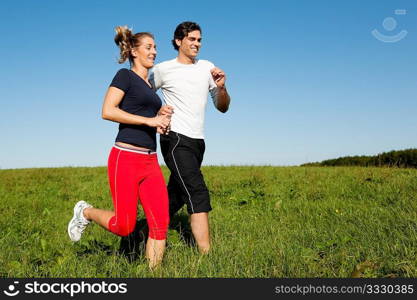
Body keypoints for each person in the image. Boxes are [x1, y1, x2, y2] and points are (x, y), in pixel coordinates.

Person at [68, 26, 172, 268]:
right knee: (125, 226)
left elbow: (143, 115)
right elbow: (108, 111)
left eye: (155, 47)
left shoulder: (149, 87)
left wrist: (160, 119)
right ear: (134, 51)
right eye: (149, 47)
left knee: (160, 223)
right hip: (125, 158)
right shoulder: (124, 76)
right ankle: (86, 212)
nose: (154, 52)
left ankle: (154, 278)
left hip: (150, 161)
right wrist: (149, 120)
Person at [149, 21, 231, 253]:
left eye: (199, 40)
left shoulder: (207, 67)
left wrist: (221, 87)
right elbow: (143, 96)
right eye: (192, 39)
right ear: (178, 41)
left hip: (198, 142)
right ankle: (207, 255)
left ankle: (141, 231)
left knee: (175, 197)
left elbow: (222, 107)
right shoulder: (164, 69)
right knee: (197, 191)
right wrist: (156, 116)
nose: (197, 44)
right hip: (175, 139)